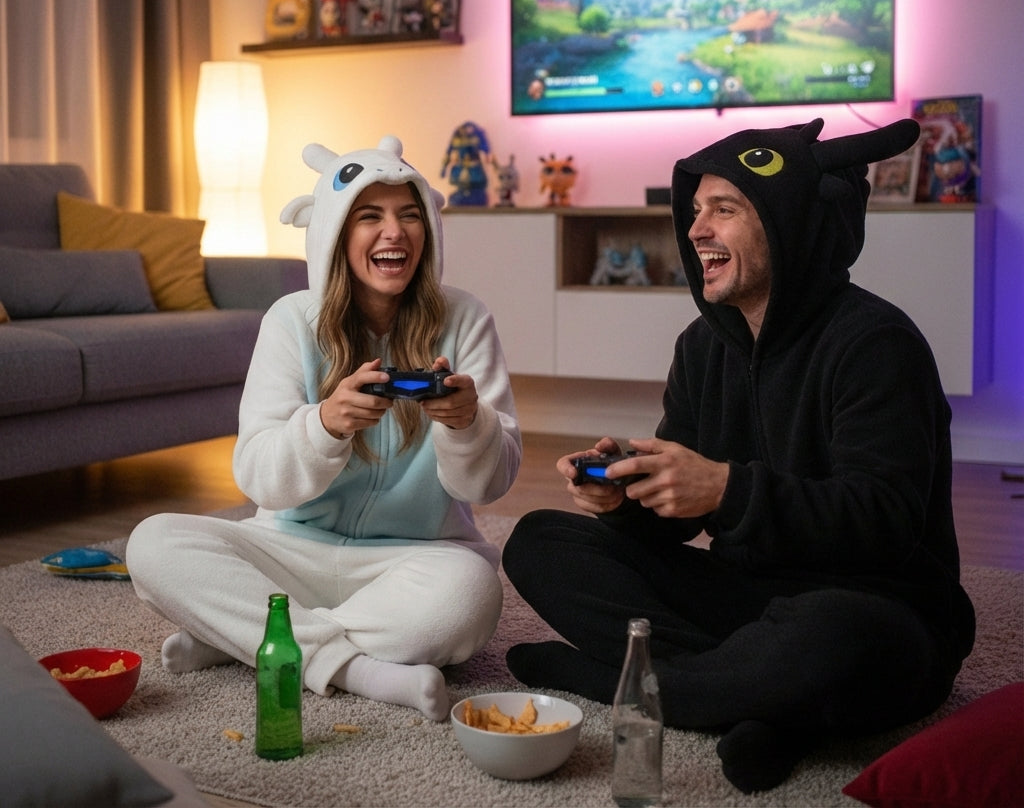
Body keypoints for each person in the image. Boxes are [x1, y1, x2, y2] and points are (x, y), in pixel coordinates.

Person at [501, 118, 975, 792]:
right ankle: (761, 704)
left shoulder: (876, 342)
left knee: (831, 639)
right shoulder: (701, 347)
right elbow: (680, 520)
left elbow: (885, 519)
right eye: (695, 211)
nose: (696, 231)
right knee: (538, 541)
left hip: (876, 603)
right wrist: (627, 499)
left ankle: (633, 684)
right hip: (746, 600)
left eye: (724, 209)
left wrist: (727, 490)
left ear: (787, 224)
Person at [127, 136, 521, 721]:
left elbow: (487, 486)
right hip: (291, 550)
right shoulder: (291, 320)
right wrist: (324, 426)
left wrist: (468, 425)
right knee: (153, 543)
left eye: (410, 215)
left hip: (416, 556)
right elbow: (260, 478)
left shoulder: (465, 316)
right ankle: (356, 668)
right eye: (371, 216)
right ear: (335, 231)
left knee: (471, 595)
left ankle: (252, 640)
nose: (396, 232)